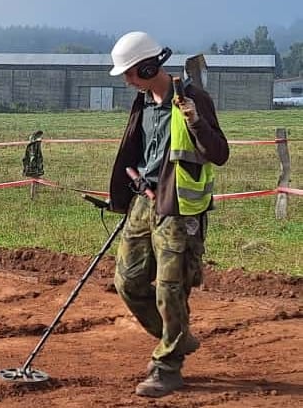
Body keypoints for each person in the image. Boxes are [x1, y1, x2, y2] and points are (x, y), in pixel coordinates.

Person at [107, 31, 229, 398]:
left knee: (171, 287)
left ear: (148, 65)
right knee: (127, 280)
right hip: (144, 201)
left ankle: (168, 366)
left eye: (130, 72)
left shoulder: (193, 99)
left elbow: (220, 153)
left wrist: (195, 122)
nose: (127, 80)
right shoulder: (143, 103)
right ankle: (177, 336)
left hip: (178, 208)